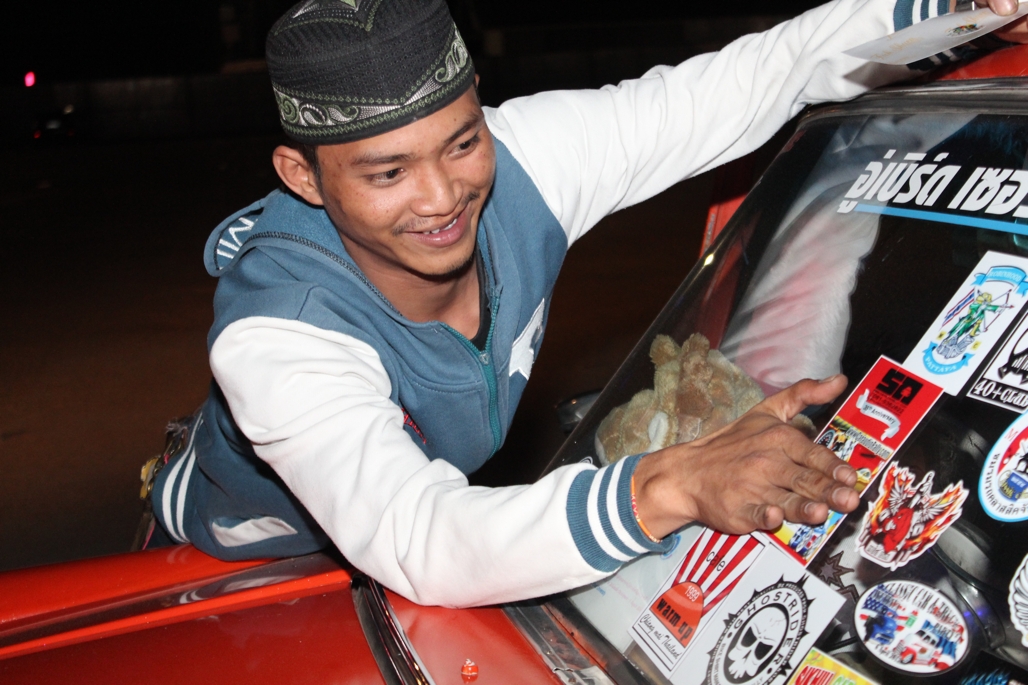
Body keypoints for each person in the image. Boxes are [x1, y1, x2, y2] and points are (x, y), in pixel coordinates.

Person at [146, 0, 1027, 607]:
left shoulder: (524, 159)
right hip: (241, 561)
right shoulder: (279, 333)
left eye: (461, 141)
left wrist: (968, 8)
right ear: (303, 175)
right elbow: (421, 538)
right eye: (387, 173)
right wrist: (668, 481)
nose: (443, 197)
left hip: (429, 525)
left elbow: (753, 80)